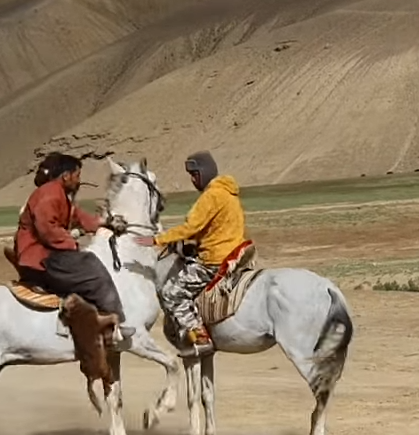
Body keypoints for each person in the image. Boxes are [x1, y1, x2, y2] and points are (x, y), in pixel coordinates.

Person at [13, 153, 135, 339]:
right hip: (40, 256)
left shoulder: (60, 195)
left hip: (46, 253)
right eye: (77, 175)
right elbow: (48, 230)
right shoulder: (49, 194)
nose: (79, 180)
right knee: (91, 266)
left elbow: (80, 218)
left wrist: (106, 222)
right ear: (66, 175)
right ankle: (111, 322)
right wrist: (72, 243)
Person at [134, 151, 246, 352]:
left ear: (204, 172)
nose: (193, 180)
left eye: (195, 175)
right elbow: (213, 229)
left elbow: (190, 227)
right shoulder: (229, 193)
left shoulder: (211, 196)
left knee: (171, 292)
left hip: (214, 260)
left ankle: (200, 336)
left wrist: (158, 239)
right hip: (235, 253)